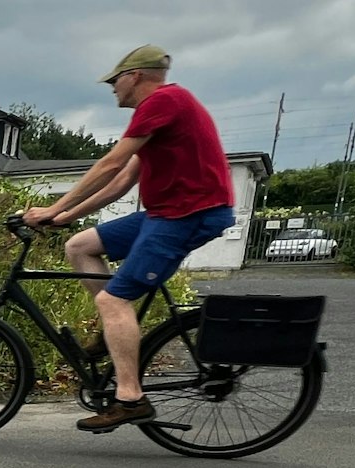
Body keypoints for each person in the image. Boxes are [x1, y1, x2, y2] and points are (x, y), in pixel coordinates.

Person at [23, 45, 236, 433]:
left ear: (134, 76)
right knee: (79, 246)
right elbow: (121, 181)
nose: (112, 88)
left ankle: (130, 399)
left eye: (114, 80)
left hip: (188, 215)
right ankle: (112, 331)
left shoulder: (164, 101)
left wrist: (53, 207)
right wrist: (66, 218)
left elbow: (110, 164)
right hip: (164, 213)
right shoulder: (162, 113)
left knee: (113, 299)